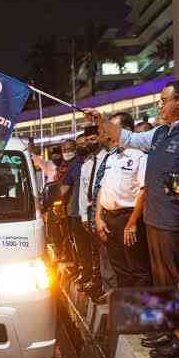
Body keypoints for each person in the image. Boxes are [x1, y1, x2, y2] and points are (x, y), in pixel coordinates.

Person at [88, 80, 179, 358]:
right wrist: (102, 121)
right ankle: (171, 330)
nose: (160, 105)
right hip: (156, 221)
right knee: (163, 282)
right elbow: (127, 138)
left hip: (176, 222)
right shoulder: (159, 134)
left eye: (163, 100)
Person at [94, 113, 151, 289]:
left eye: (112, 128)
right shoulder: (112, 157)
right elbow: (103, 188)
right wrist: (98, 217)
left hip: (129, 218)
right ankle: (126, 308)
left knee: (137, 269)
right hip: (109, 219)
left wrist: (133, 222)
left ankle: (141, 311)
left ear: (124, 130)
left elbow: (144, 191)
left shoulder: (140, 156)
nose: (109, 134)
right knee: (120, 269)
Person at [78, 126, 112, 301]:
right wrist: (84, 215)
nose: (90, 142)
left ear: (100, 137)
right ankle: (100, 283)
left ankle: (108, 287)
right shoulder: (86, 164)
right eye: (88, 139)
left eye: (93, 139)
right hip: (91, 212)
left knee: (107, 251)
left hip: (105, 210)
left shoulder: (108, 159)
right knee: (96, 250)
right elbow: (83, 193)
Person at [62, 132, 92, 286]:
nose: (82, 147)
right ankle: (86, 274)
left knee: (91, 249)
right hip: (77, 212)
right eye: (79, 144)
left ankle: (91, 277)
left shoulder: (94, 162)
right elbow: (64, 188)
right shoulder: (75, 165)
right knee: (82, 247)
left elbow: (63, 190)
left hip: (91, 214)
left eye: (84, 143)